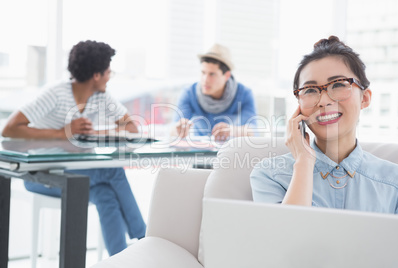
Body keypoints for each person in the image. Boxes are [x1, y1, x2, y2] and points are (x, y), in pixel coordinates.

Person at [1, 40, 146, 255]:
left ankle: (121, 260)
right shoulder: (56, 94)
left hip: (78, 173)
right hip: (40, 175)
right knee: (112, 170)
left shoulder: (100, 97)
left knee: (106, 195)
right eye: (108, 71)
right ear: (96, 75)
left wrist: (95, 132)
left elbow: (132, 128)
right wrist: (62, 132)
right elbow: (10, 128)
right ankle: (145, 238)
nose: (109, 76)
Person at [251, 36, 398, 214]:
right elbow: (284, 238)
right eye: (310, 90)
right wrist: (304, 162)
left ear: (365, 98)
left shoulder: (396, 182)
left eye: (338, 84)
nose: (323, 101)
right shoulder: (270, 175)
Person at [174, 44, 257, 141]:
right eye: (203, 73)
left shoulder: (244, 94)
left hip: (229, 150)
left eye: (212, 74)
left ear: (226, 76)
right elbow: (173, 129)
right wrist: (178, 129)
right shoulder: (189, 93)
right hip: (199, 151)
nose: (205, 80)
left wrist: (231, 130)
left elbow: (253, 131)